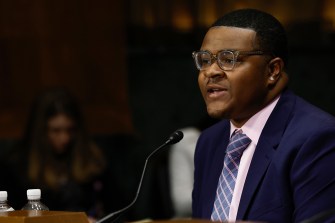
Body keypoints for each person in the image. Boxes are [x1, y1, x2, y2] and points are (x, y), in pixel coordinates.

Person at [191, 8, 335, 223]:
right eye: (205, 60)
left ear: (272, 70)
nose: (211, 71)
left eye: (228, 59)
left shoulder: (317, 138)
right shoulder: (209, 142)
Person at [1, 87, 107, 221]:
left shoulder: (92, 159)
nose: (65, 138)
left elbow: (119, 208)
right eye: (56, 131)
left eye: (70, 130)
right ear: (41, 132)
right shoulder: (17, 166)